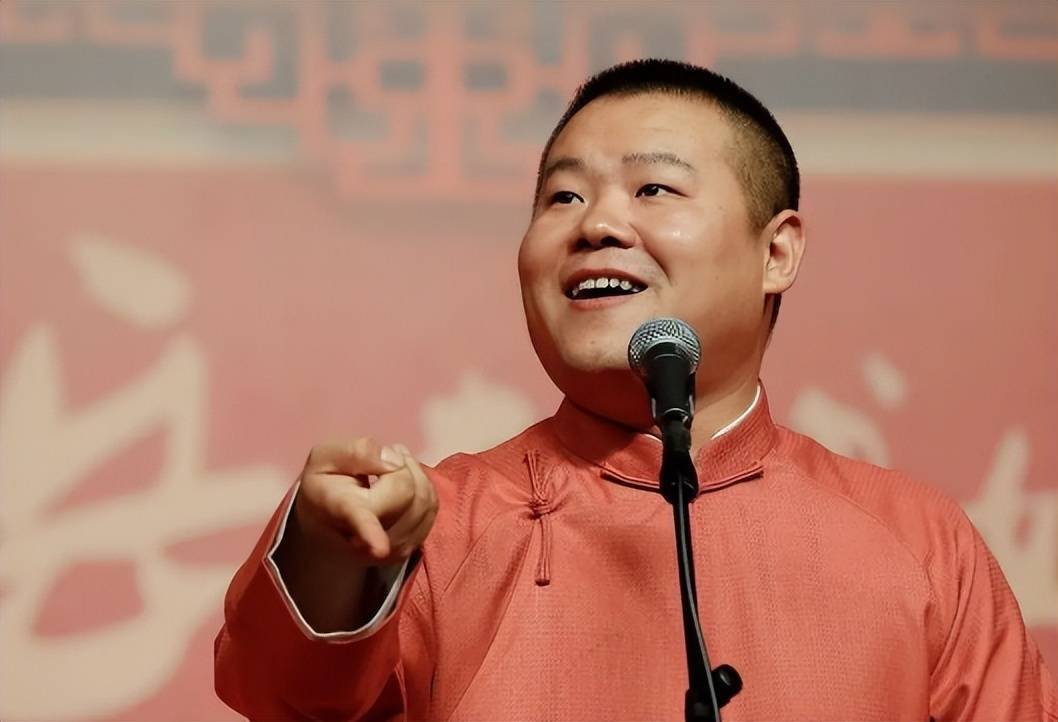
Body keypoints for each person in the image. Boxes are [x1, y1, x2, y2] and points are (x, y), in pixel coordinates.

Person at [214, 59, 1057, 720]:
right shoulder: (442, 526)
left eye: (653, 188)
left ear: (776, 253)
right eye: (563, 195)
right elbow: (286, 698)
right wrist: (333, 554)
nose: (596, 224)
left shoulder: (919, 543)